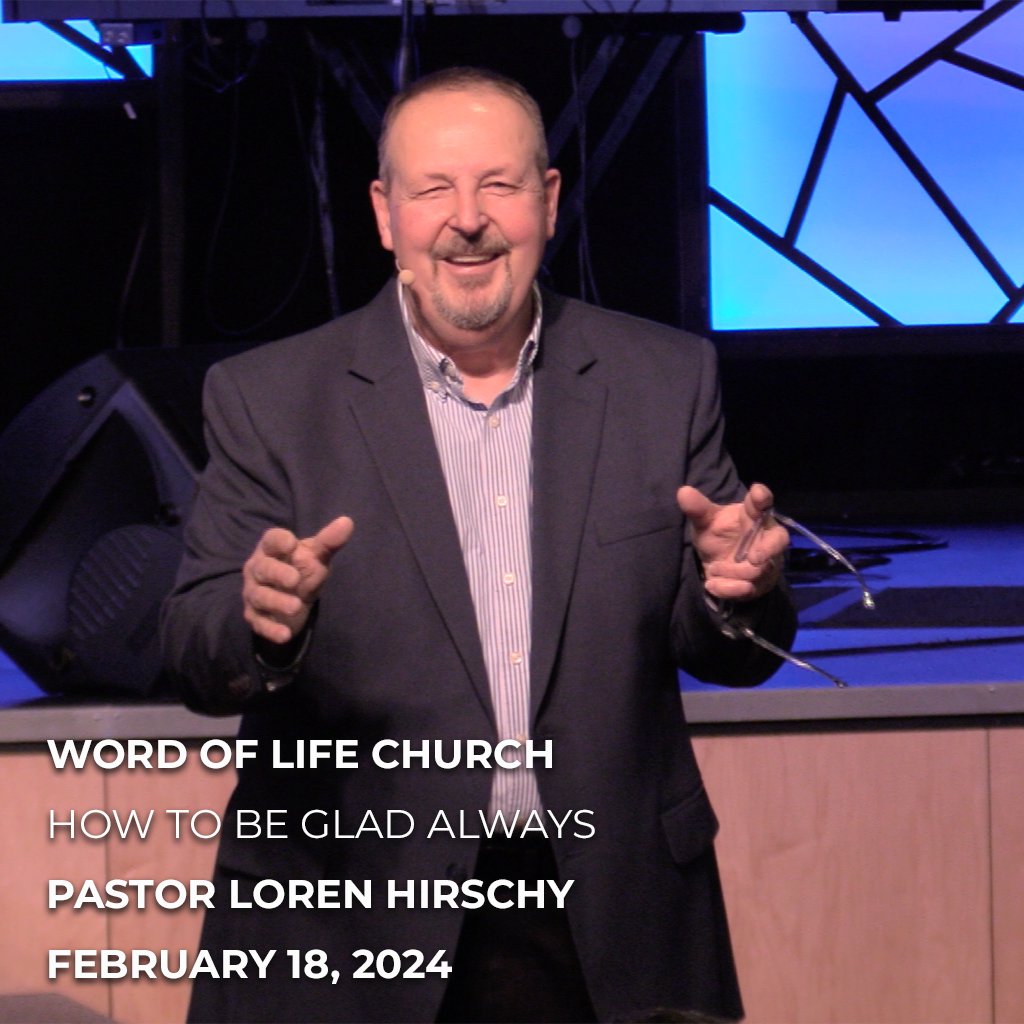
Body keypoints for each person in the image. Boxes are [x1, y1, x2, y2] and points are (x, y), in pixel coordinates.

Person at [161, 66, 796, 1024]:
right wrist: (262, 625)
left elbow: (730, 649)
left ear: (548, 201)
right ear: (385, 215)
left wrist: (731, 593)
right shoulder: (271, 398)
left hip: (608, 918)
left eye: (499, 185)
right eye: (433, 190)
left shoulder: (665, 380)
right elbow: (190, 649)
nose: (468, 220)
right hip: (346, 918)